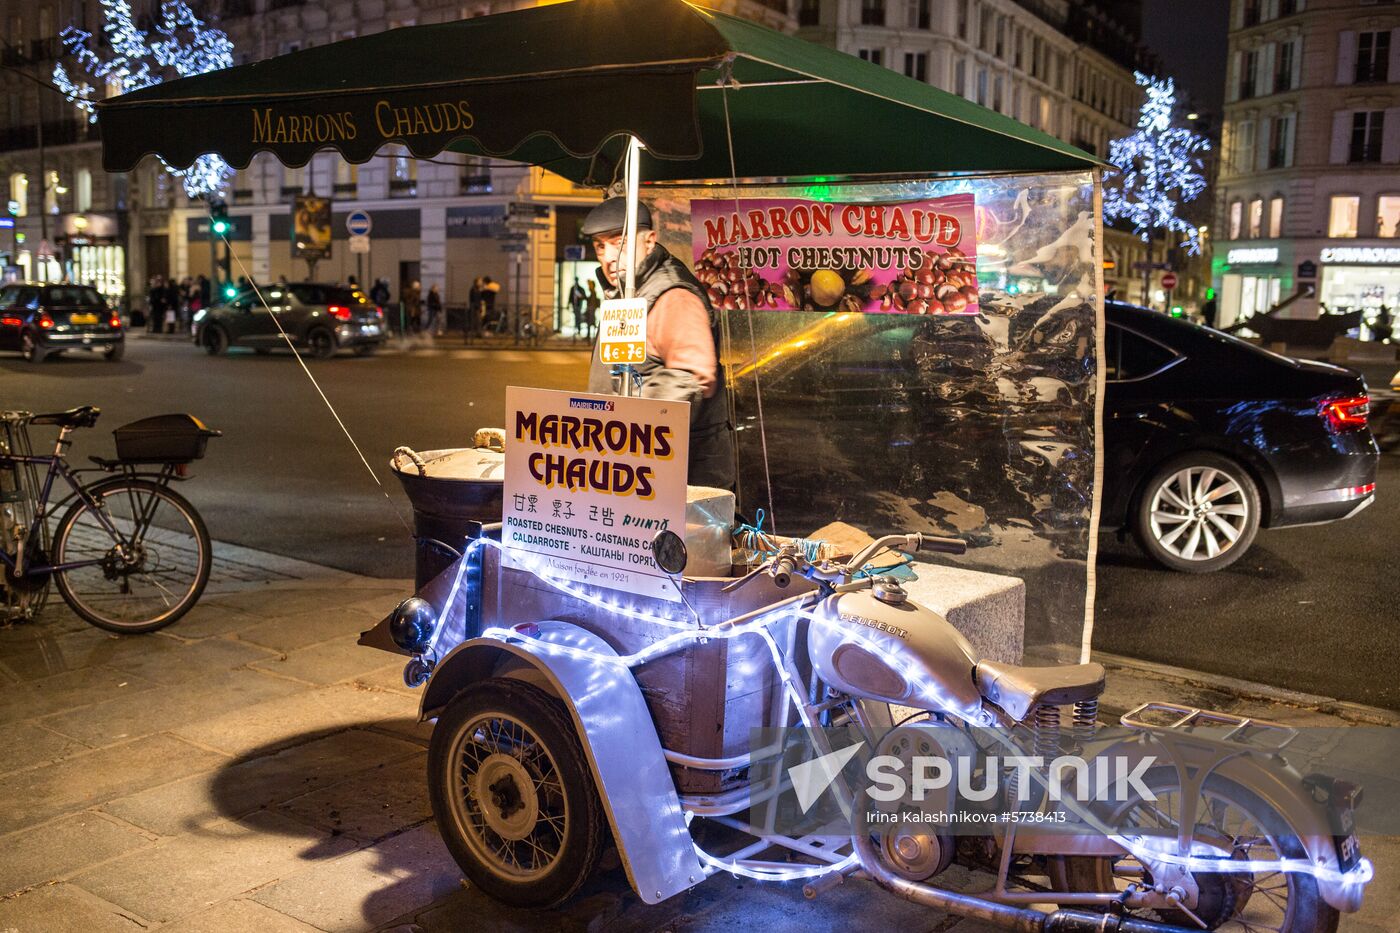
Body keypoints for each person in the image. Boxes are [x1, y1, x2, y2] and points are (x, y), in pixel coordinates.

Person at [582, 196, 734, 489]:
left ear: (649, 242)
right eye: (600, 246)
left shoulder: (672, 294)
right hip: (637, 469)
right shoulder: (629, 291)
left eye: (619, 242)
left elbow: (691, 377)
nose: (608, 256)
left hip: (682, 477)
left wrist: (622, 432)